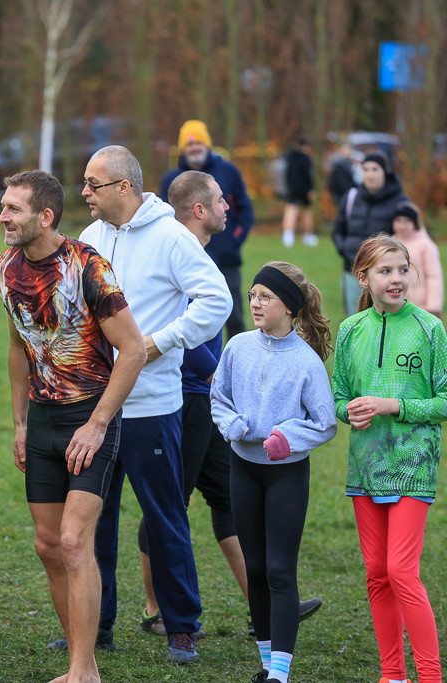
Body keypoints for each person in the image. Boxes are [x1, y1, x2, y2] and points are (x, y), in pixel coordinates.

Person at [77, 146, 232, 664]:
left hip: (151, 406)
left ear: (124, 187)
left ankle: (182, 627)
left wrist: (160, 343)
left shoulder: (171, 237)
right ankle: (96, 626)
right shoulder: (90, 238)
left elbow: (217, 301)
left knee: (165, 518)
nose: (85, 192)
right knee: (94, 521)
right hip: (97, 407)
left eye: (94, 184)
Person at [156, 172, 324, 640]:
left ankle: (262, 605)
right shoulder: (175, 253)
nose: (229, 206)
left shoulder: (202, 253)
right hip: (186, 397)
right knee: (169, 502)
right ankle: (162, 611)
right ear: (199, 210)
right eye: (220, 200)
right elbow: (175, 328)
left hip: (220, 410)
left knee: (222, 499)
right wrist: (217, 377)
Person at [0, 170, 146, 683]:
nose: (2, 217)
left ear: (45, 217)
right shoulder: (4, 267)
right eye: (3, 206)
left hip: (89, 418)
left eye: (13, 209)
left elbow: (134, 350)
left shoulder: (88, 266)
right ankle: (84, 665)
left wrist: (98, 424)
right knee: (48, 544)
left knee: (76, 542)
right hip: (41, 419)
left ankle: (82, 670)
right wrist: (19, 422)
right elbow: (18, 345)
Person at [211, 261, 337, 683]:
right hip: (243, 468)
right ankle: (268, 666)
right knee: (256, 569)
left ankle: (279, 675)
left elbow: (325, 423)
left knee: (280, 571)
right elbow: (218, 398)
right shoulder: (237, 347)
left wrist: (288, 436)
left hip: (286, 475)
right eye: (253, 295)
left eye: (266, 297)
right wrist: (232, 426)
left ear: (290, 307)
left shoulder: (306, 362)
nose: (255, 303)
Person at [332, 234, 445, 683]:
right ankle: (392, 674)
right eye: (385, 271)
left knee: (401, 569)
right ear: (363, 278)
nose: (397, 279)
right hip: (366, 465)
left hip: (414, 464)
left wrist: (393, 405)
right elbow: (340, 396)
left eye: (402, 270)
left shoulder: (430, 329)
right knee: (377, 574)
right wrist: (350, 411)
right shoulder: (350, 330)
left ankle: (430, 676)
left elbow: (444, 401)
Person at [159, 119, 254, 340]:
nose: (194, 147)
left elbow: (245, 209)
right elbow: (164, 219)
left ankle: (235, 357)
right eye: (189, 144)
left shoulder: (228, 171)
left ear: (207, 144)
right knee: (189, 316)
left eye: (199, 142)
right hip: (185, 258)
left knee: (233, 314)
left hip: (226, 257)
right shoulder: (171, 180)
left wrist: (233, 240)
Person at [332, 151, 408, 317]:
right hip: (352, 269)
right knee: (355, 318)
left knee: (385, 318)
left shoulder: (399, 201)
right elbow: (338, 230)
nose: (370, 174)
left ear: (385, 172)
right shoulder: (351, 197)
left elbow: (407, 236)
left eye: (375, 169)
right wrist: (345, 251)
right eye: (365, 169)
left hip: (385, 272)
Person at [390, 202, 442, 318]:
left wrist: (433, 306)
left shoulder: (426, 245)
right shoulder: (390, 244)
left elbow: (434, 277)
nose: (401, 226)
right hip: (396, 304)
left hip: (420, 306)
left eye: (406, 221)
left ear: (415, 223)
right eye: (398, 221)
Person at [281, 139, 317, 248]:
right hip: (304, 189)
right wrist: (310, 189)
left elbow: (287, 174)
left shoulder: (289, 157)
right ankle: (308, 236)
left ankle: (288, 235)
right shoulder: (306, 158)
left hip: (291, 188)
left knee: (290, 210)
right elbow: (308, 175)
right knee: (307, 212)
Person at [327, 142, 357, 212]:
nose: (348, 151)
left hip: (346, 192)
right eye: (346, 149)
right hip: (341, 193)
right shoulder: (339, 163)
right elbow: (341, 181)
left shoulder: (348, 162)